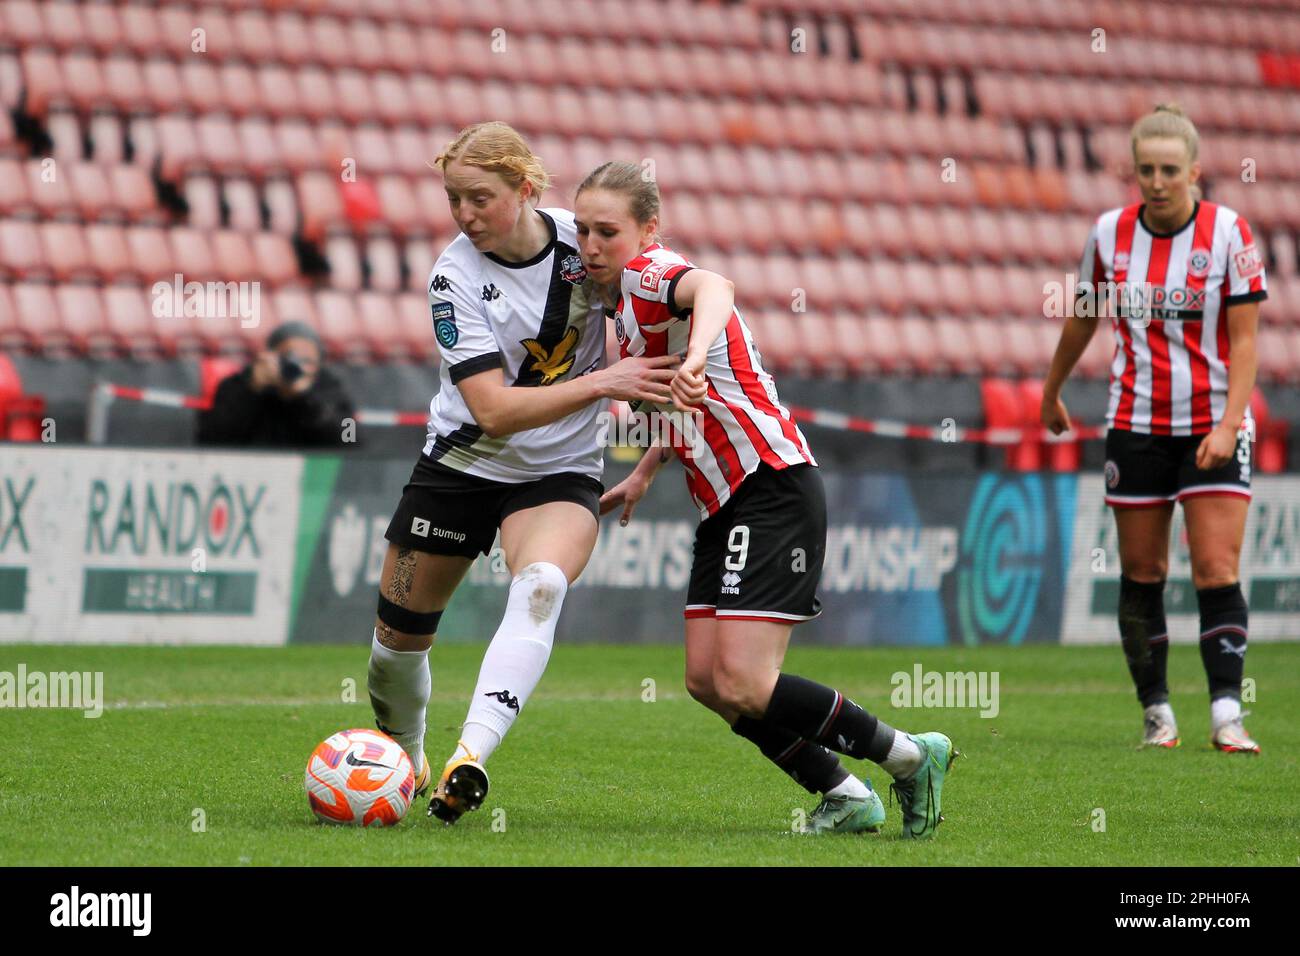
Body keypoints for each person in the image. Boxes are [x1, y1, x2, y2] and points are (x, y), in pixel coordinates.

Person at [576, 162, 958, 837]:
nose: (591, 244)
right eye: (582, 229)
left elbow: (716, 287)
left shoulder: (650, 273)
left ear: (648, 231)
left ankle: (908, 756)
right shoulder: (621, 311)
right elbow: (687, 403)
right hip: (722, 504)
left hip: (770, 485)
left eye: (608, 230)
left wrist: (694, 358)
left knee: (748, 683)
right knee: (706, 681)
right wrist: (645, 472)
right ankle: (843, 792)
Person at [365, 123, 679, 823]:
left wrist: (655, 453)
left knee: (540, 585)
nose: (465, 214)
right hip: (464, 463)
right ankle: (407, 755)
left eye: (481, 197)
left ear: (527, 190)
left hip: (561, 469)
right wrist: (604, 384)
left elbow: (671, 317)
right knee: (393, 648)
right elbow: (494, 412)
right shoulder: (453, 279)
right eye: (454, 199)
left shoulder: (588, 244)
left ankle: (467, 757)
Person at [1041, 104, 1266, 753]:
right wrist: (1052, 389)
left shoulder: (1229, 234)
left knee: (1216, 569)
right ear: (1134, 173)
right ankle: (1156, 712)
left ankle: (1227, 712)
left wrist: (1229, 425)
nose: (1158, 181)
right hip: (1135, 425)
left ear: (1195, 170)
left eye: (1170, 169)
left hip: (1210, 425)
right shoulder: (1109, 234)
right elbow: (1083, 317)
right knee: (1142, 573)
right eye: (1147, 170)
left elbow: (1246, 343)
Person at [196, 321, 355, 448]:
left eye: (307, 360)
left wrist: (304, 399)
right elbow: (209, 437)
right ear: (270, 356)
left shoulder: (331, 388)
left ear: (319, 363)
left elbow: (351, 439)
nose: (297, 366)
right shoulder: (238, 384)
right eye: (288, 358)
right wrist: (251, 390)